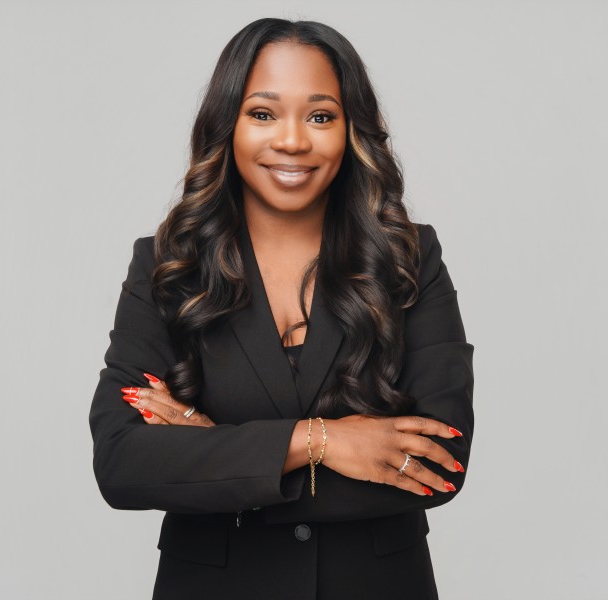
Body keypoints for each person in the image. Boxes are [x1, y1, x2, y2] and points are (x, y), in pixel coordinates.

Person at [89, 17, 474, 600]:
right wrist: (322, 441)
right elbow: (122, 462)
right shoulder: (169, 266)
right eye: (263, 114)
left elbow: (438, 463)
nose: (293, 140)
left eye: (320, 116)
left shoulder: (408, 257)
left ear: (351, 131)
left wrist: (217, 449)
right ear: (228, 126)